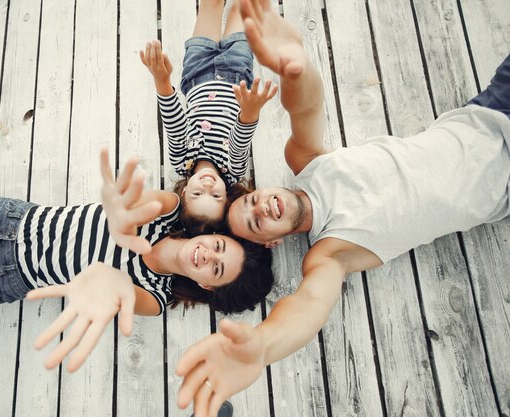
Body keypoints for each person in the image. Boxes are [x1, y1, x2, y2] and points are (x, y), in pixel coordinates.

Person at [172, 0, 510, 416]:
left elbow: (306, 107)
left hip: (487, 111)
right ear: (275, 241)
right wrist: (263, 345)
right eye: (256, 224)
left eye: (250, 202)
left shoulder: (307, 161)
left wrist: (297, 68)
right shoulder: (330, 252)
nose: (260, 208)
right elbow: (309, 307)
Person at [0, 148, 274, 372]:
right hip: (6, 222)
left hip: (1, 279)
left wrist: (113, 281)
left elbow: (121, 292)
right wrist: (123, 215)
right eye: (219, 247)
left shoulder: (154, 298)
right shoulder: (170, 212)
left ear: (207, 285)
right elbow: (141, 204)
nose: (208, 255)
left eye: (216, 269)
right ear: (213, 235)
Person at [139, 0, 277, 235]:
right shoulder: (232, 170)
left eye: (197, 193)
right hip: (237, 72)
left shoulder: (182, 161)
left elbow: (175, 124)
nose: (207, 185)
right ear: (226, 197)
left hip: (197, 72)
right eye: (215, 195)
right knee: (241, 9)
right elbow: (239, 141)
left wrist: (162, 81)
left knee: (210, 5)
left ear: (183, 192)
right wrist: (250, 112)